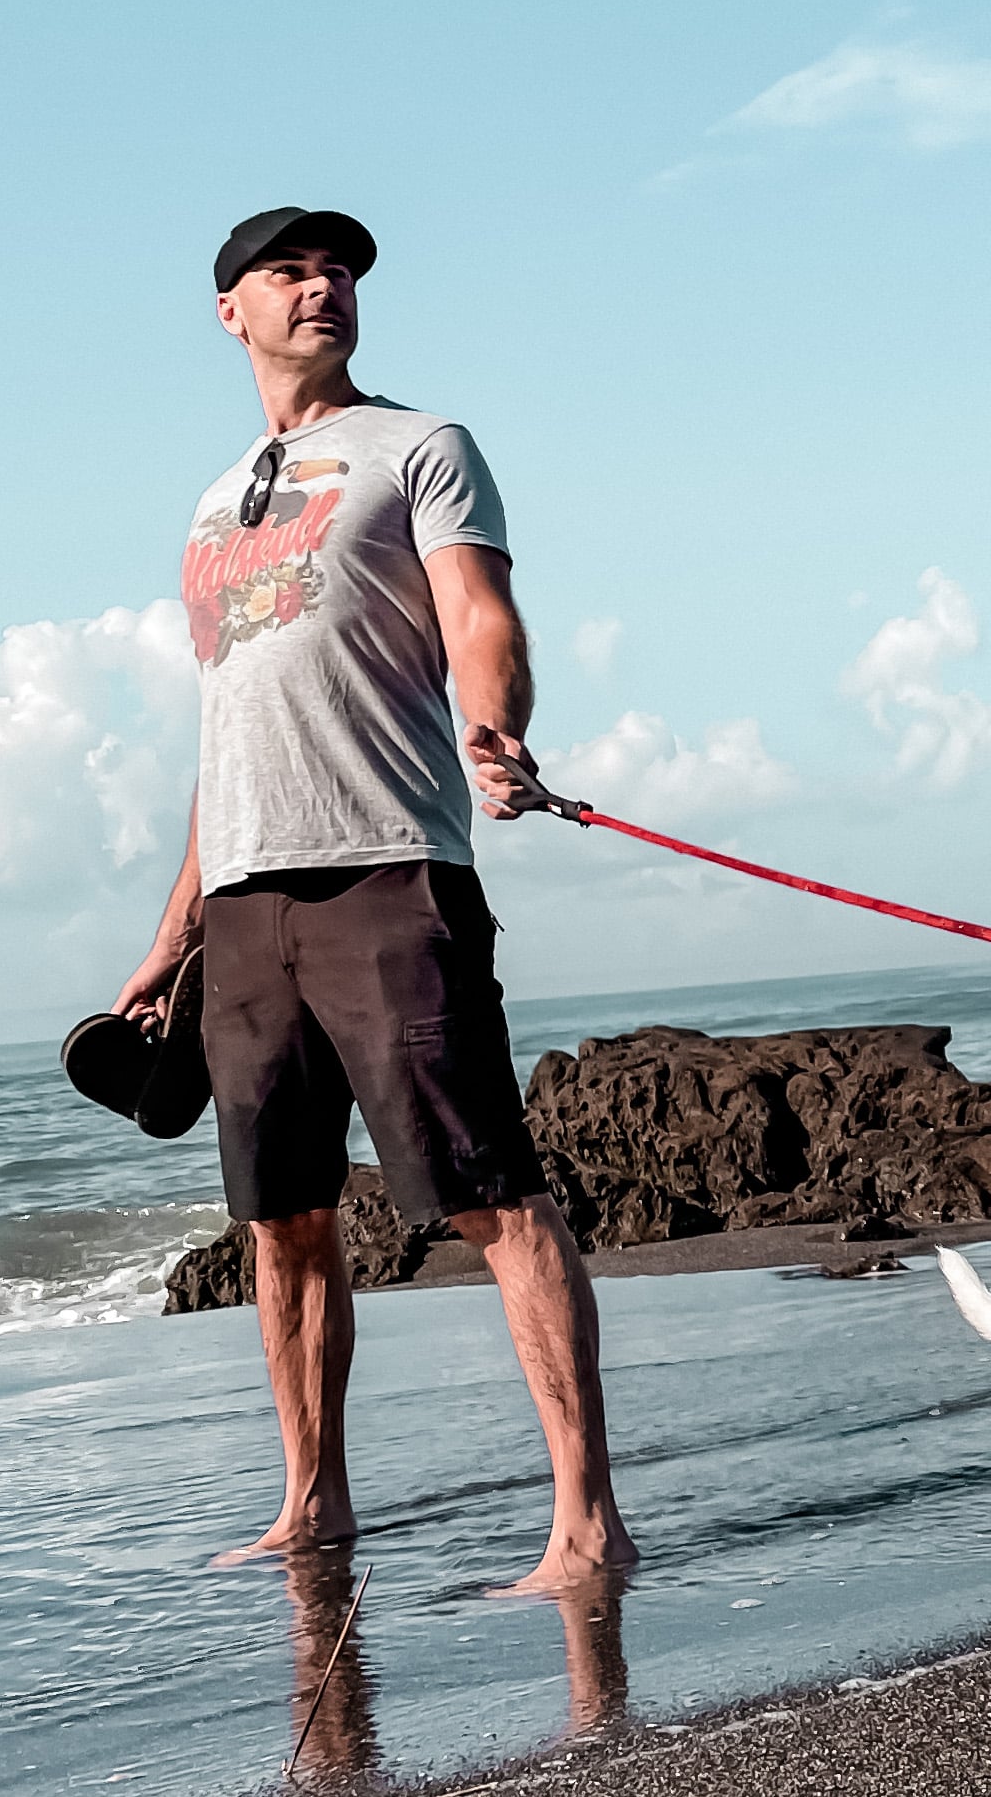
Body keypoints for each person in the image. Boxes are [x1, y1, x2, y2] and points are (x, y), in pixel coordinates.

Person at [113, 207, 635, 1595]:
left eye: (339, 268)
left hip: (389, 871)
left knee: (488, 1193)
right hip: (244, 907)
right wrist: (173, 935)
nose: (323, 286)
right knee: (279, 1220)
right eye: (290, 270)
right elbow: (225, 728)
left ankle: (585, 1520)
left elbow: (479, 616)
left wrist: (496, 726)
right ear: (231, 309)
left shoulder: (421, 448)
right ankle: (313, 1502)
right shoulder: (211, 505)